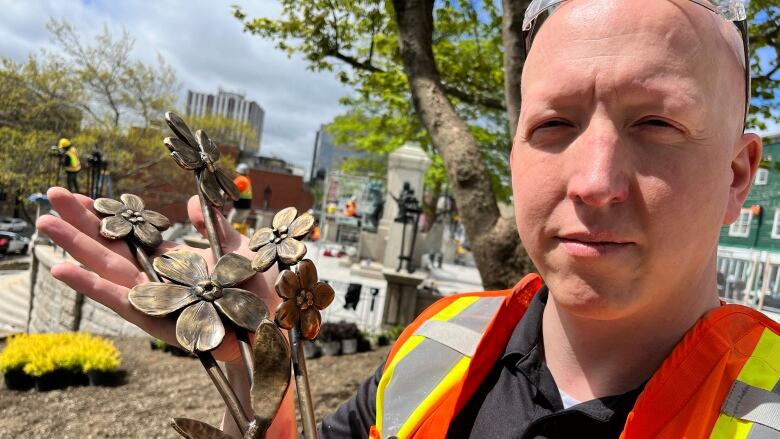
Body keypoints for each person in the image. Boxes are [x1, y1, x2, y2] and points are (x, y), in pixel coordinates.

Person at [36, 0, 780, 438]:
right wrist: (259, 369)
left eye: (655, 123)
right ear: (515, 155)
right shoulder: (439, 340)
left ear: (737, 177)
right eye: (555, 125)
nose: (594, 180)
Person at [227, 163, 253, 234]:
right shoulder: (247, 180)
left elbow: (232, 189)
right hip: (246, 208)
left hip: (239, 208)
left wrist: (226, 196)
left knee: (230, 223)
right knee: (239, 226)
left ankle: (229, 239)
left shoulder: (241, 180)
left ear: (239, 171)